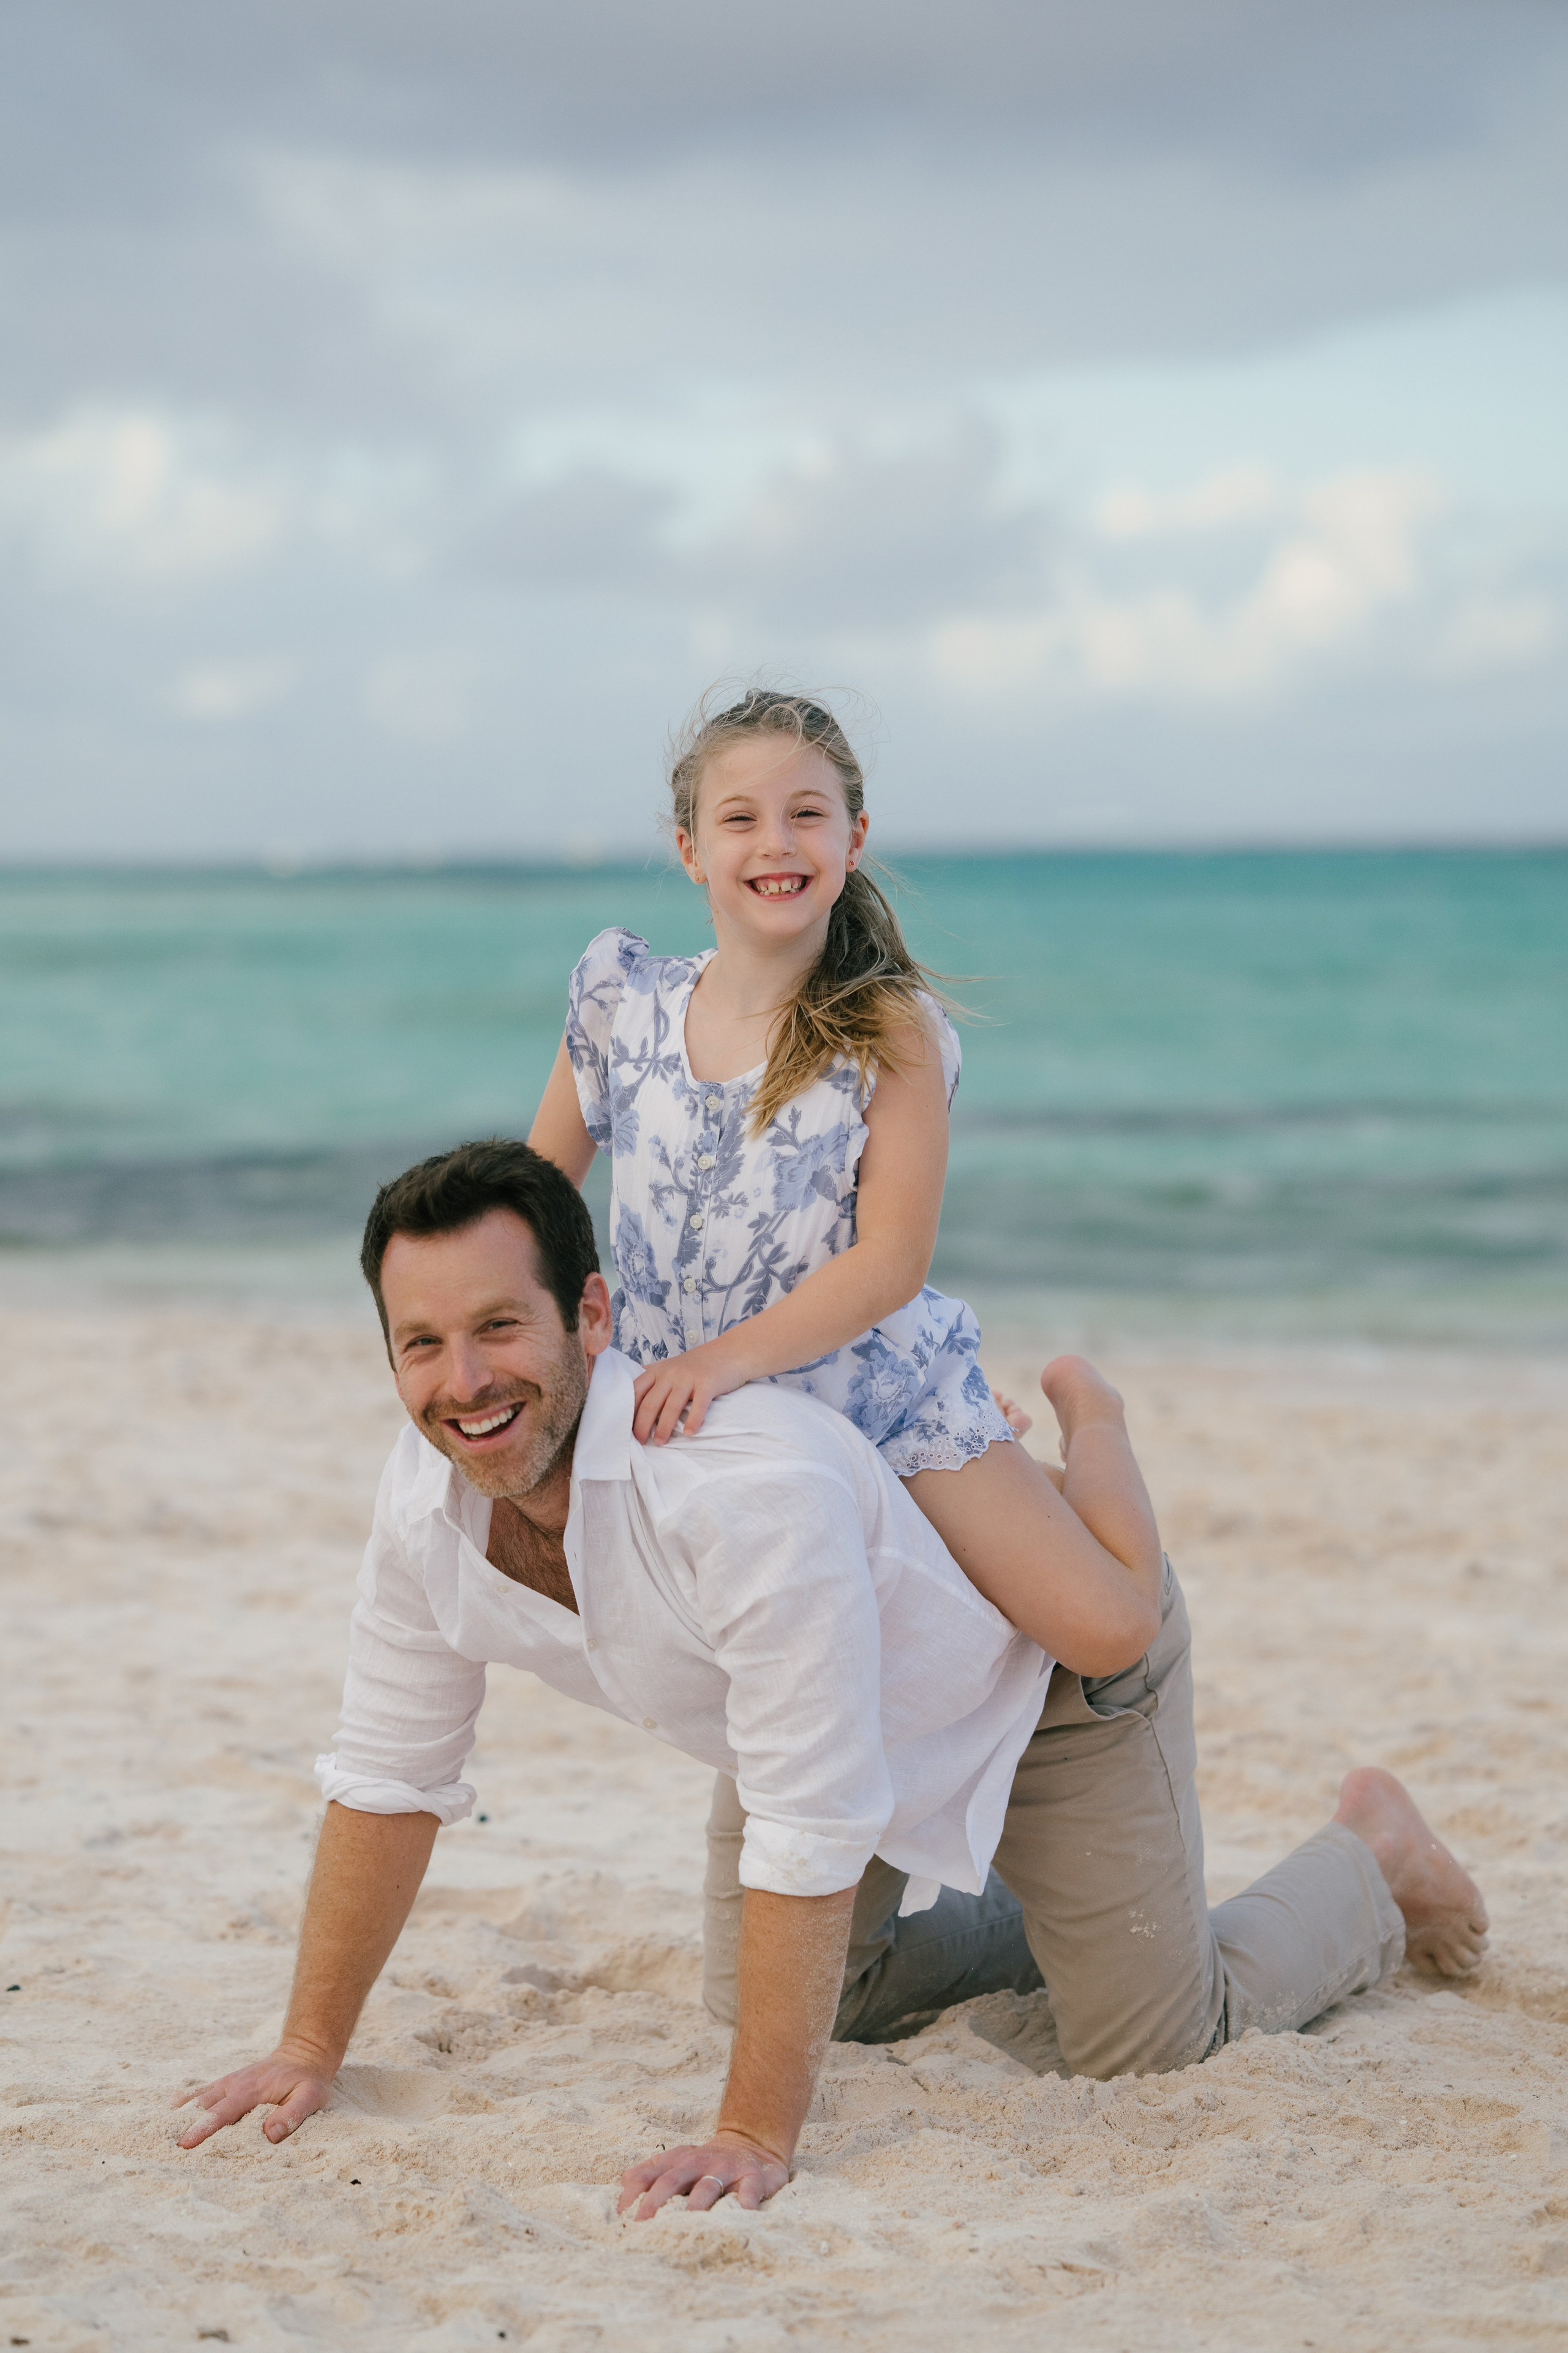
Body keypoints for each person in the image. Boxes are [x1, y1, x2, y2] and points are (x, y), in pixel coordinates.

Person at [175, 1142, 1490, 2219]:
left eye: (499, 1328)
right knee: (789, 2002)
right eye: (421, 1344)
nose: (463, 1384)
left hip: (1044, 1679)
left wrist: (753, 2131)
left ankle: (1369, 1858)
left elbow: (805, 1824)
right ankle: (1074, 1912)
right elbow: (390, 1778)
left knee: (1150, 2044)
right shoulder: (425, 1506)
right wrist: (307, 2047)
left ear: (590, 1316)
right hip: (824, 1715)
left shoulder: (741, 1495)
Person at [526, 686, 1116, 1666]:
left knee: (1104, 1631)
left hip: (875, 1392)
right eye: (740, 819)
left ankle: (1093, 1422)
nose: (777, 843)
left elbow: (891, 1261)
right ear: (689, 849)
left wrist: (720, 1361)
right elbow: (534, 1205)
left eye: (807, 814)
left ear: (854, 837)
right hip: (688, 1399)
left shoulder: (893, 1031)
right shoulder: (620, 999)